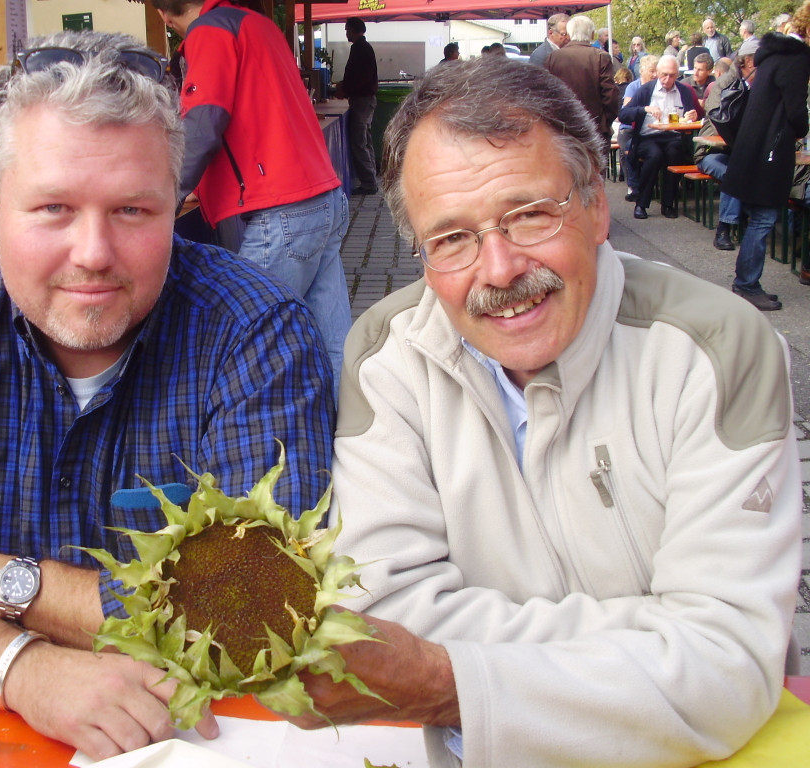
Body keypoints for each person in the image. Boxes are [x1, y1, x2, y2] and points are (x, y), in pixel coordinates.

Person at [0, 30, 336, 762]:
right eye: (52, 208)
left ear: (176, 203)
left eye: (132, 211)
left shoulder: (255, 334)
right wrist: (18, 668)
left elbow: (262, 605)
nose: (93, 254)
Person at [283, 55, 801, 768]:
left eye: (529, 215)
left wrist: (449, 679)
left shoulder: (715, 348)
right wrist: (651, 652)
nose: (498, 270)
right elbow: (381, 614)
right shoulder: (385, 357)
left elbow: (723, 667)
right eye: (452, 238)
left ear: (596, 207)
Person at [151, 0, 351, 382]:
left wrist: (164, 194)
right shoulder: (258, 25)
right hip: (321, 196)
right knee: (333, 345)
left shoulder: (210, 30)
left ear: (163, 14)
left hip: (281, 208)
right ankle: (347, 421)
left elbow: (203, 121)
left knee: (240, 349)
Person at [723, 19, 810, 311]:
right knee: (763, 218)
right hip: (771, 149)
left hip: (753, 144)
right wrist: (802, 128)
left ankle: (747, 282)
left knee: (758, 217)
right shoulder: (796, 58)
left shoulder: (773, 55)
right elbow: (796, 109)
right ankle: (747, 284)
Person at [619, 55, 702, 219]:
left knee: (675, 152)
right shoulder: (646, 90)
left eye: (672, 75)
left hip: (673, 136)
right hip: (648, 136)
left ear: (677, 75)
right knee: (654, 155)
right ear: (657, 72)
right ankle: (641, 203)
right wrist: (644, 109)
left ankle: (668, 203)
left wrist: (692, 115)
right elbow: (623, 114)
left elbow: (697, 114)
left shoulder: (684, 91)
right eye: (664, 74)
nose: (667, 79)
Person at [696, 43, 757, 253]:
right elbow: (717, 115)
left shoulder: (760, 86)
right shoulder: (724, 84)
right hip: (710, 152)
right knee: (734, 174)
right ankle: (724, 229)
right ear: (749, 62)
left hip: (743, 153)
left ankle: (750, 222)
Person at [544, 15, 618, 154]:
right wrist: (604, 122)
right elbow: (611, 96)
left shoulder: (552, 58)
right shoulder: (600, 57)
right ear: (592, 34)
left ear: (569, 33)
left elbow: (546, 96)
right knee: (595, 166)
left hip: (564, 129)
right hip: (594, 128)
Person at [337, 17, 379, 195]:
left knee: (359, 143)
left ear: (353, 30)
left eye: (347, 29)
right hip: (364, 99)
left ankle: (369, 183)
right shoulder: (363, 47)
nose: (346, 33)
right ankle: (371, 179)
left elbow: (361, 77)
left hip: (362, 100)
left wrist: (345, 89)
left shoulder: (361, 49)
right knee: (365, 141)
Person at [619, 54, 658, 201]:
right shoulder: (633, 87)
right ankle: (633, 186)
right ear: (642, 71)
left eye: (657, 71)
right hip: (629, 128)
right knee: (629, 149)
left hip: (652, 129)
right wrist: (644, 110)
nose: (655, 75)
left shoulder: (659, 88)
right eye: (652, 71)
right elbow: (626, 112)